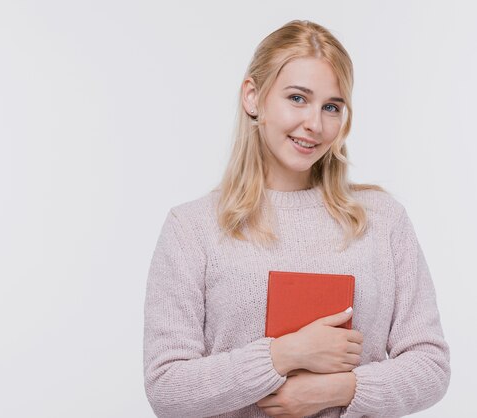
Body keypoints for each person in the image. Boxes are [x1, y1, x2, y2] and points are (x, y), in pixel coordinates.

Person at [142, 20, 450, 418]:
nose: (315, 125)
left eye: (332, 107)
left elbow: (431, 365)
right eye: (298, 98)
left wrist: (340, 388)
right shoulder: (193, 228)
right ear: (253, 97)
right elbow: (166, 387)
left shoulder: (382, 220)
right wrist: (283, 355)